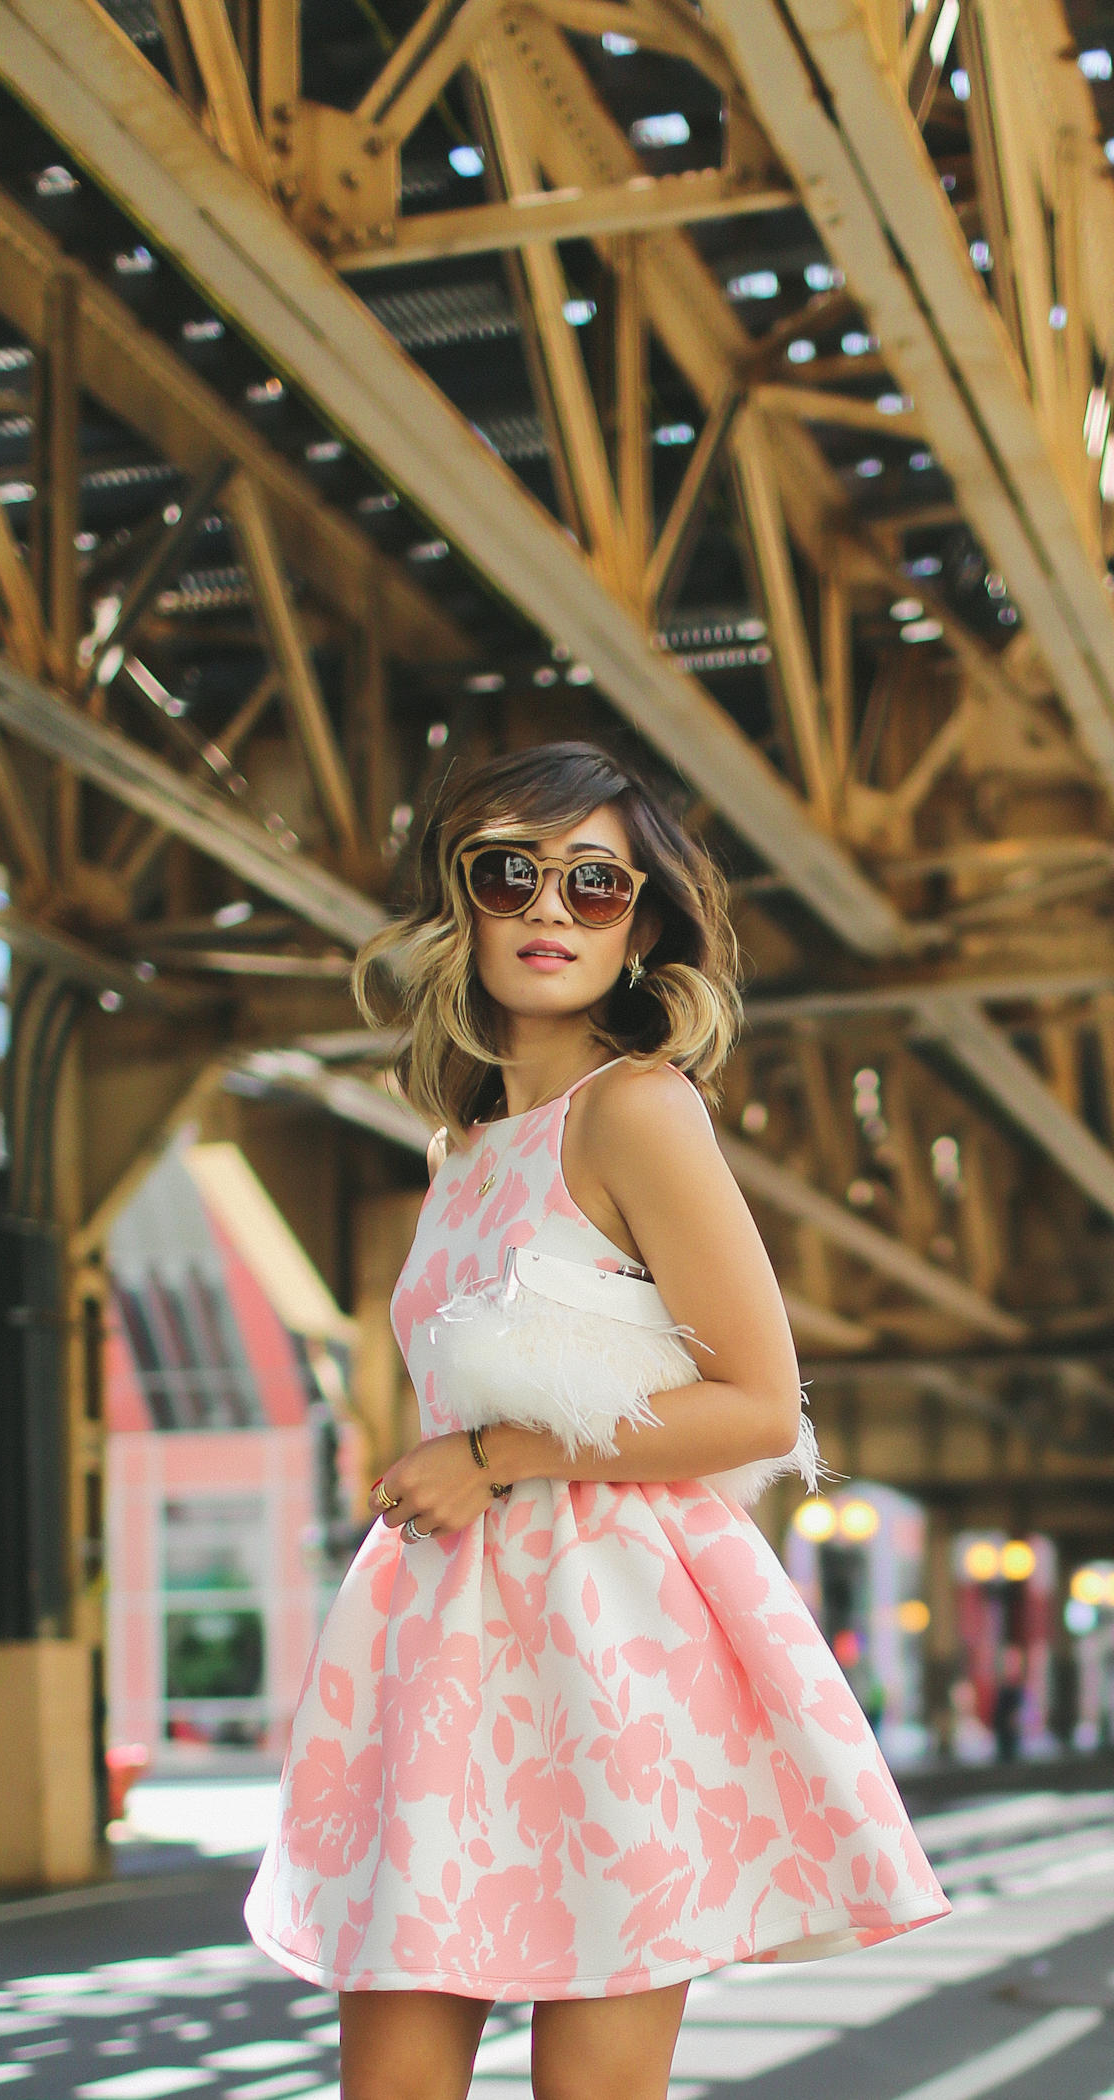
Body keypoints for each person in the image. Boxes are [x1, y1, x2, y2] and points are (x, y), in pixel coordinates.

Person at [244, 743, 949, 2100]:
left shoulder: (637, 1108)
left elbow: (754, 1402)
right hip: (446, 1653)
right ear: (462, 904)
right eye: (512, 874)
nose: (553, 909)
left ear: (640, 924)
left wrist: (491, 1456)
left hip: (611, 1649)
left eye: (597, 884)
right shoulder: (458, 1150)